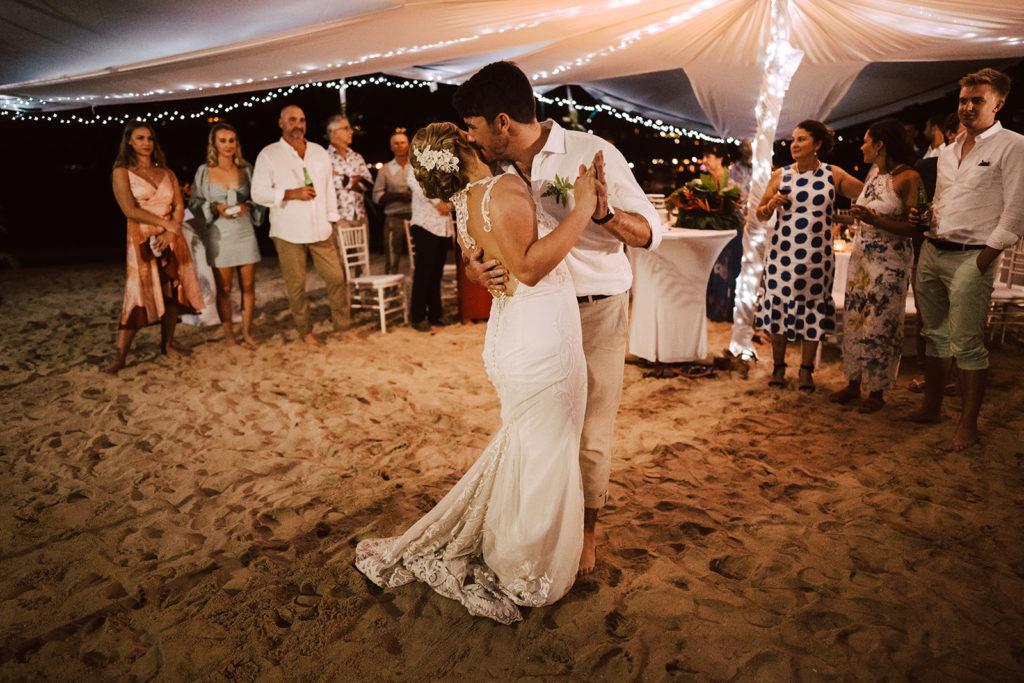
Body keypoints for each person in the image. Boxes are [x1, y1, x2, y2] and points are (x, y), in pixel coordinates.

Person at [355, 122, 599, 624]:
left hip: (514, 335)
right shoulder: (502, 188)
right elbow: (529, 268)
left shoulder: (464, 204)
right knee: (549, 448)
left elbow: (480, 262)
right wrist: (582, 210)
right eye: (469, 131)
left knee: (531, 447)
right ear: (466, 147)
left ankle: (516, 544)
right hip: (540, 335)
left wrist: (472, 272)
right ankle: (525, 564)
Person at [453, 61, 660, 575]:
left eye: (475, 126)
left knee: (589, 433)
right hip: (534, 319)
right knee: (541, 429)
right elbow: (482, 240)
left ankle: (586, 536)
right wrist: (475, 270)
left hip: (595, 311)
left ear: (503, 123)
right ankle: (538, 527)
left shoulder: (591, 152)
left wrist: (605, 214)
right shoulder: (493, 172)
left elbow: (651, 233)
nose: (470, 137)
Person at [907, 68, 1024, 451]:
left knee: (968, 343)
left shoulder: (1012, 145)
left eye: (977, 100)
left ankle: (968, 427)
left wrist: (986, 257)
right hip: (933, 249)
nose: (968, 107)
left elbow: (1015, 209)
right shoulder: (947, 151)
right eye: (963, 100)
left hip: (972, 256)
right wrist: (924, 218)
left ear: (998, 104)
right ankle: (932, 408)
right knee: (934, 336)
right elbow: (942, 201)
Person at [754, 119, 864, 392]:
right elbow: (759, 214)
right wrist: (772, 202)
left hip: (818, 258)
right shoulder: (780, 175)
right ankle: (779, 368)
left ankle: (806, 370)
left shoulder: (833, 174)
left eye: (802, 139)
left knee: (813, 310)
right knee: (778, 309)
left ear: (817, 145)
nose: (794, 144)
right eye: (793, 139)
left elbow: (867, 196)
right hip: (782, 256)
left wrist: (842, 217)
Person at [829, 119, 924, 412]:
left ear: (880, 144)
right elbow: (864, 217)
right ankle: (854, 382)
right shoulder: (872, 175)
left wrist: (876, 220)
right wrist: (839, 217)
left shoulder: (911, 178)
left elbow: (918, 227)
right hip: (861, 260)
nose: (862, 146)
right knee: (855, 319)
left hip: (890, 264)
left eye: (866, 141)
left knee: (880, 323)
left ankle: (878, 391)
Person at [103, 122, 204, 374]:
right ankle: (121, 355)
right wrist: (166, 225)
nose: (146, 143)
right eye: (140, 138)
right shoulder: (122, 172)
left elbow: (179, 205)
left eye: (149, 138)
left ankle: (167, 345)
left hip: (171, 238)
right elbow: (130, 210)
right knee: (138, 294)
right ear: (129, 142)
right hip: (142, 239)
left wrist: (172, 232)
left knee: (173, 292)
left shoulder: (167, 172)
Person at [251, 105, 350, 346]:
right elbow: (258, 193)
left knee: (336, 278)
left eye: (302, 120)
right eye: (292, 120)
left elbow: (328, 187)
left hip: (320, 228)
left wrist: (330, 218)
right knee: (297, 287)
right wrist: (289, 193)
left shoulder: (318, 152)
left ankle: (343, 326)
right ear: (281, 123)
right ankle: (305, 331)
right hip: (287, 230)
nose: (298, 125)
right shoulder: (269, 154)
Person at [190, 123, 266, 347]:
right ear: (214, 143)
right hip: (219, 234)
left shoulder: (247, 168)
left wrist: (249, 207)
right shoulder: (204, 171)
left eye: (232, 140)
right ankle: (230, 336)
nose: (228, 145)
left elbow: (259, 197)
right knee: (224, 288)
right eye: (222, 140)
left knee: (249, 286)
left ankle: (247, 332)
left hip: (245, 232)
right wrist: (215, 208)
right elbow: (195, 203)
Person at [406, 163, 453, 331]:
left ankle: (436, 314)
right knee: (423, 272)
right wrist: (436, 201)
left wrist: (450, 201)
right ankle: (418, 316)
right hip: (425, 223)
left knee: (436, 273)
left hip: (443, 225)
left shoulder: (446, 158)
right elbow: (414, 181)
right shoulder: (418, 158)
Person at [702, 142, 744, 322]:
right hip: (711, 231)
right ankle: (713, 308)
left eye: (708, 157)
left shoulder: (733, 177)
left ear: (720, 158)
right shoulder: (703, 180)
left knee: (733, 270)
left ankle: (729, 310)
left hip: (733, 230)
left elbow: (742, 203)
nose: (705, 161)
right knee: (711, 269)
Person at [325, 114, 374, 247]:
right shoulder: (325, 158)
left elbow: (369, 184)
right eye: (346, 128)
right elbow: (328, 183)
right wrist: (356, 178)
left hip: (360, 215)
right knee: (341, 261)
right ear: (334, 133)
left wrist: (344, 179)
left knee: (362, 263)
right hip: (339, 217)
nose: (351, 131)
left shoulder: (356, 157)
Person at [371, 131, 413, 274]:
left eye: (403, 142)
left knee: (420, 256)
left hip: (417, 217)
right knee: (392, 257)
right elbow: (377, 196)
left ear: (408, 145)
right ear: (391, 147)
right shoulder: (386, 169)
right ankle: (392, 287)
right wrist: (398, 196)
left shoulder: (416, 166)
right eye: (396, 143)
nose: (400, 146)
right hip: (395, 217)